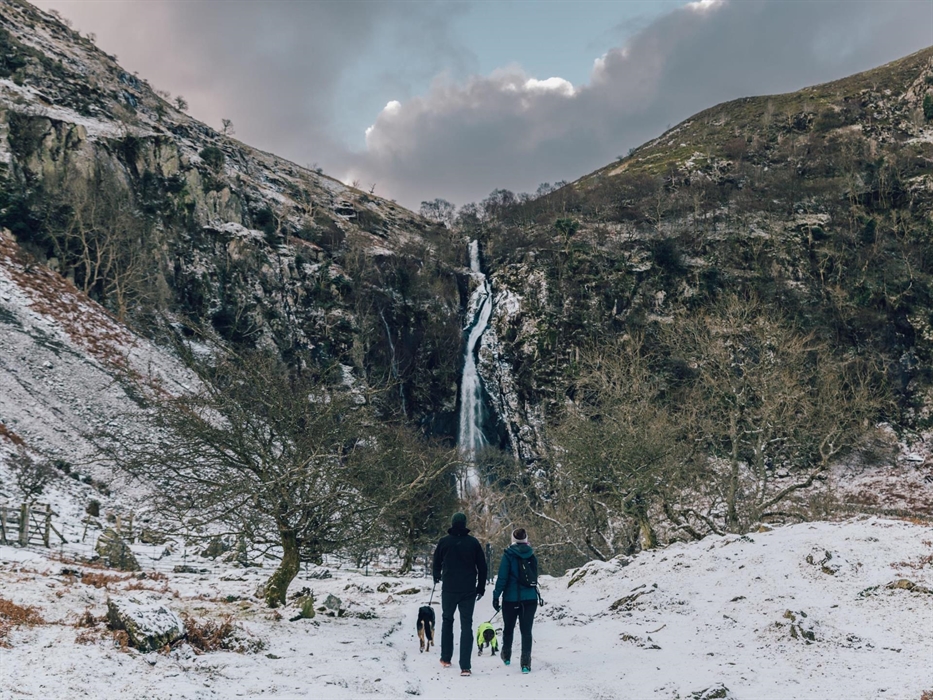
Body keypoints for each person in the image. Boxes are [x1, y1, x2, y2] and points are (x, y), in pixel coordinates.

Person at [432, 512, 487, 677]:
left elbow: (436, 563)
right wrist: (481, 587)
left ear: (452, 523)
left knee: (447, 620)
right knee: (466, 625)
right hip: (468, 589)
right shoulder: (473, 543)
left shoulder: (444, 542)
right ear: (464, 524)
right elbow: (482, 567)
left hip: (449, 589)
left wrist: (437, 577)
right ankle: (465, 666)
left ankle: (446, 658)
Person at [492, 527, 539, 674]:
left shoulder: (508, 556)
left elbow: (502, 578)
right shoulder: (531, 555)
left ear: (512, 540)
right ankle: (525, 663)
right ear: (526, 539)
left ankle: (506, 655)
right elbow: (534, 576)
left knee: (508, 628)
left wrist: (496, 595)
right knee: (526, 632)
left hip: (511, 600)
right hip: (530, 599)